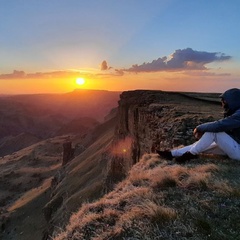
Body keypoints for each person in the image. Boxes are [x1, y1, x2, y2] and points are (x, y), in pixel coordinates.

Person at [157, 88, 240, 163]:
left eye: (224, 101)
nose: (222, 104)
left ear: (232, 101)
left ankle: (189, 155)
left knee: (213, 133)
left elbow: (219, 125)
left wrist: (199, 128)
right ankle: (172, 154)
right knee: (203, 145)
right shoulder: (236, 112)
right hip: (237, 147)